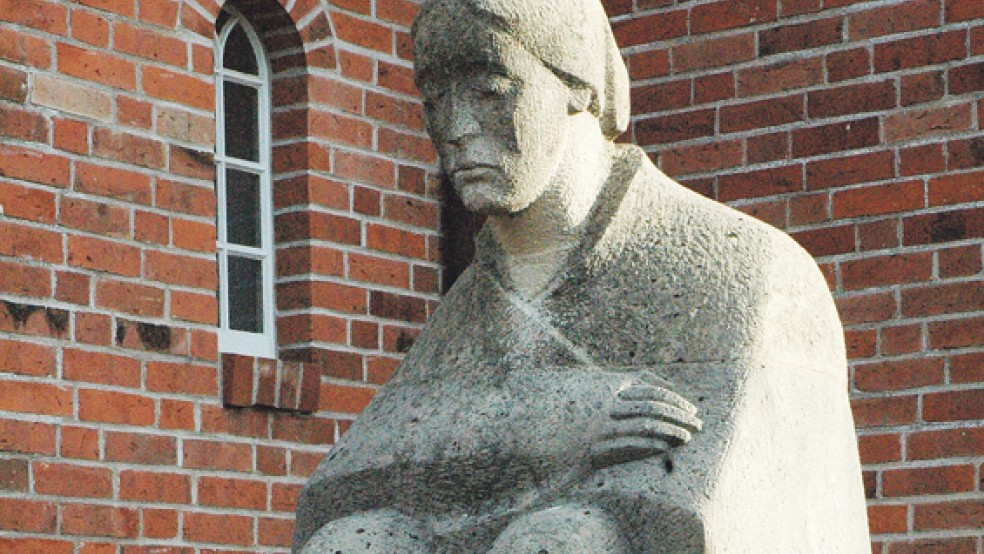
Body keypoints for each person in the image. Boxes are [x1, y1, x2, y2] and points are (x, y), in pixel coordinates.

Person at [293, 0, 871, 552]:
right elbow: (342, 484)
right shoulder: (472, 305)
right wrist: (546, 419)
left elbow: (686, 502)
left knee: (563, 539)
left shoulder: (744, 272)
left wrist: (469, 441)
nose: (455, 127)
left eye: (491, 91)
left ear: (578, 86)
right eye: (435, 100)